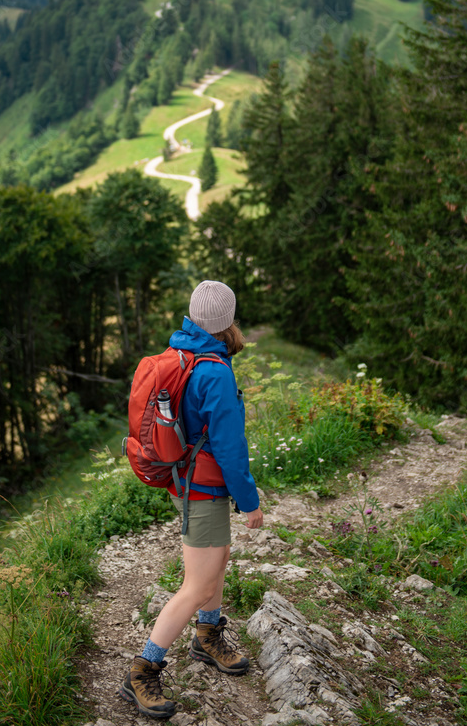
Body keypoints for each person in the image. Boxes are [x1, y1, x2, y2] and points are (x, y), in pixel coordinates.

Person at [119, 279, 264, 720]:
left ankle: (207, 635)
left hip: (191, 482)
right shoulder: (215, 371)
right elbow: (229, 446)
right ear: (228, 322)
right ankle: (142, 669)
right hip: (202, 489)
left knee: (216, 563)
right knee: (197, 584)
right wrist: (250, 500)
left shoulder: (184, 353)